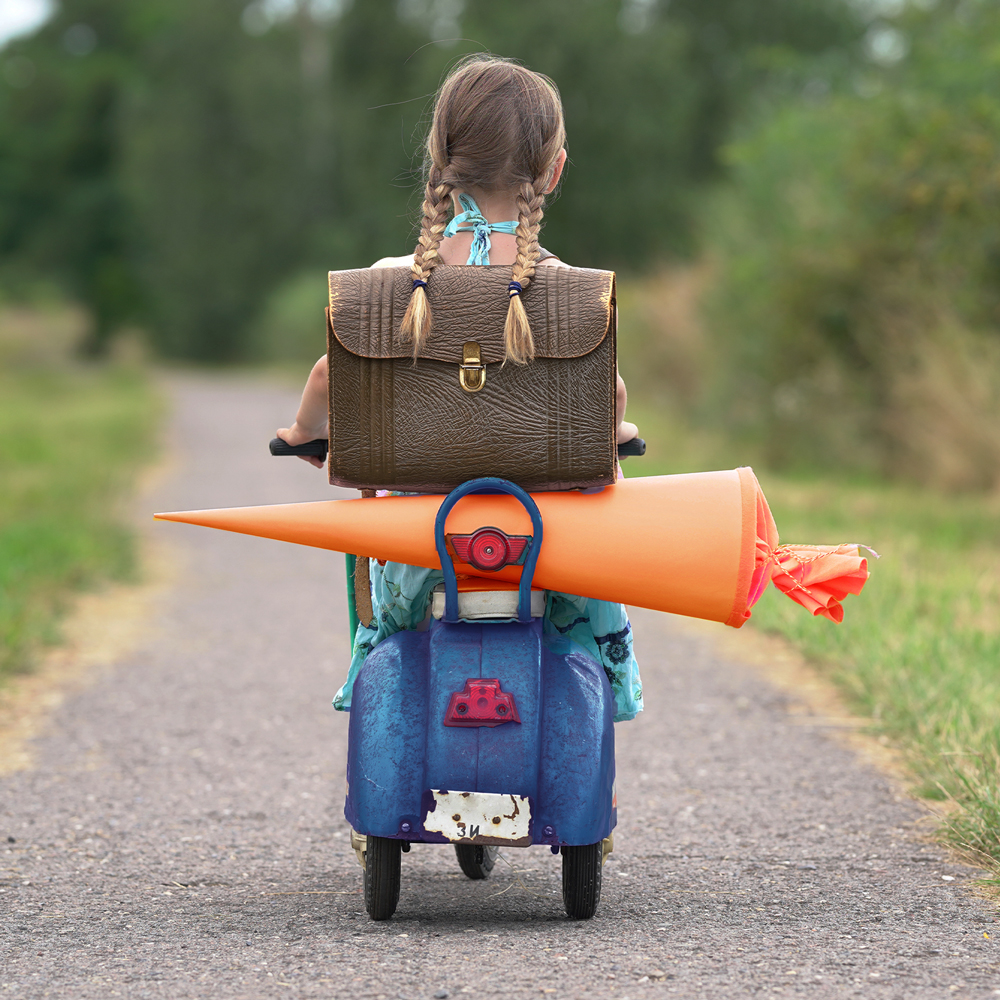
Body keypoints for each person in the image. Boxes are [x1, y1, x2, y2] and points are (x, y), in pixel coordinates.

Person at [277, 54, 642, 722]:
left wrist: (303, 435)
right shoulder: (573, 294)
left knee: (377, 583)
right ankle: (604, 681)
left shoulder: (386, 284)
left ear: (439, 162)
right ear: (554, 171)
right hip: (545, 550)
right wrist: (618, 437)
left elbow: (332, 374)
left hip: (420, 551)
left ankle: (374, 674)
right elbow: (607, 396)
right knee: (586, 592)